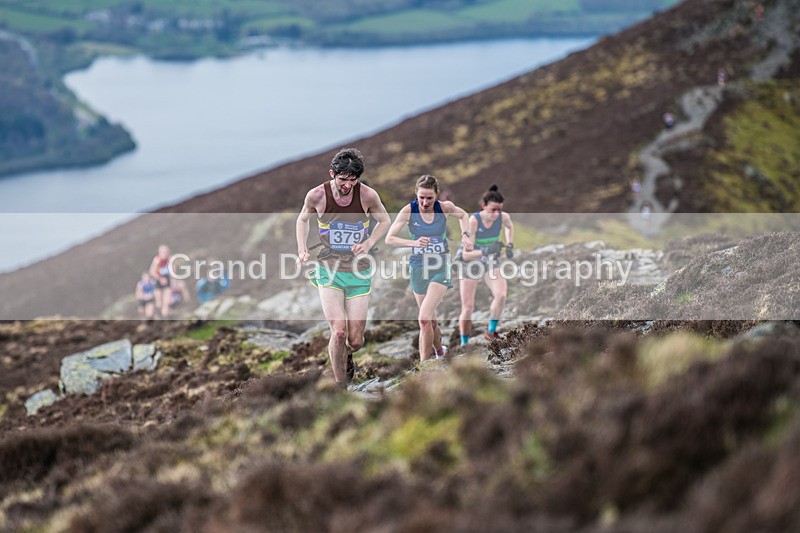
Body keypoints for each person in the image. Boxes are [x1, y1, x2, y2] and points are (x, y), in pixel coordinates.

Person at [296, 148, 390, 387]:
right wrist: (302, 249)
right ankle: (341, 387)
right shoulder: (317, 195)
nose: (347, 185)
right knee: (338, 332)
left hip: (359, 271)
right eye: (342, 179)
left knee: (355, 340)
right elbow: (302, 220)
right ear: (332, 174)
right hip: (329, 269)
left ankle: (347, 354)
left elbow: (384, 220)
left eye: (352, 180)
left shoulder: (368, 196)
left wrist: (369, 242)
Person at [385, 174, 472, 362]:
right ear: (416, 194)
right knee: (430, 321)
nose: (425, 202)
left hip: (441, 266)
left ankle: (423, 366)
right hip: (418, 268)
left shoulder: (444, 208)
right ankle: (441, 351)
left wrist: (466, 235)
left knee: (423, 319)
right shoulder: (408, 211)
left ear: (437, 195)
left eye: (429, 198)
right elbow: (389, 239)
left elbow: (464, 215)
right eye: (421, 197)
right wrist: (413, 243)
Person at [455, 185, 515, 345]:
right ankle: (464, 343)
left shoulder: (503, 217)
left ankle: (490, 331)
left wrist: (510, 244)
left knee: (501, 295)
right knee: (468, 307)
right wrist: (487, 250)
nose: (496, 214)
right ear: (484, 206)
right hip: (470, 264)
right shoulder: (474, 222)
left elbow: (509, 226)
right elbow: (466, 255)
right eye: (493, 210)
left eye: (499, 210)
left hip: (490, 262)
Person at [148, 244, 173, 318]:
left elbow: (174, 272)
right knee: (159, 302)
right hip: (158, 280)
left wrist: (174, 281)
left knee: (166, 301)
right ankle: (156, 315)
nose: (164, 254)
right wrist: (160, 278)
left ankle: (165, 316)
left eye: (166, 252)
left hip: (167, 279)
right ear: (159, 253)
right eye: (163, 252)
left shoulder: (170, 259)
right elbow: (152, 271)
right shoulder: (157, 260)